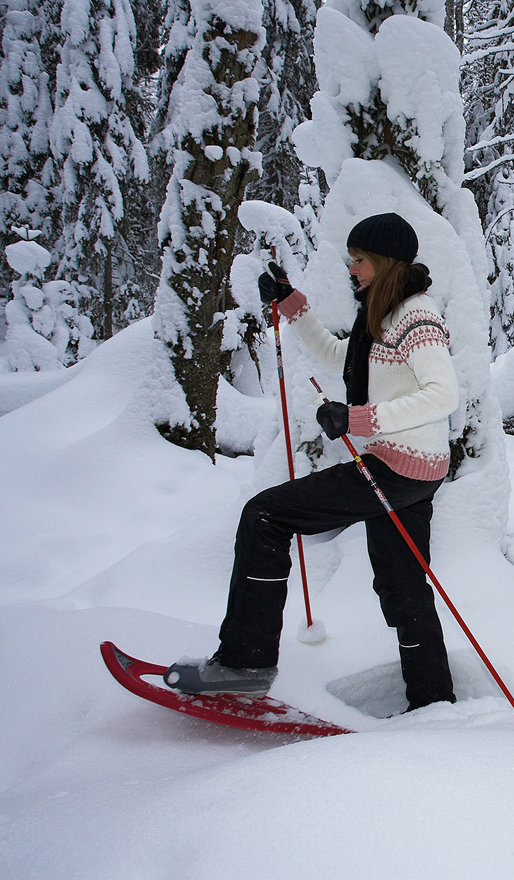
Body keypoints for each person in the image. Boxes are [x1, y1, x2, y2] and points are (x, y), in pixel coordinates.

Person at [166, 212, 460, 711]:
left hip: (399, 466)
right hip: (412, 467)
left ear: (384, 262)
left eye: (359, 260)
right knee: (402, 584)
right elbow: (337, 355)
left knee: (265, 516)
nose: (353, 269)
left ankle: (243, 665)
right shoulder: (385, 314)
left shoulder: (418, 317)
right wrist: (292, 306)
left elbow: (443, 394)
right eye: (351, 260)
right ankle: (433, 701)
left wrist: (361, 418)